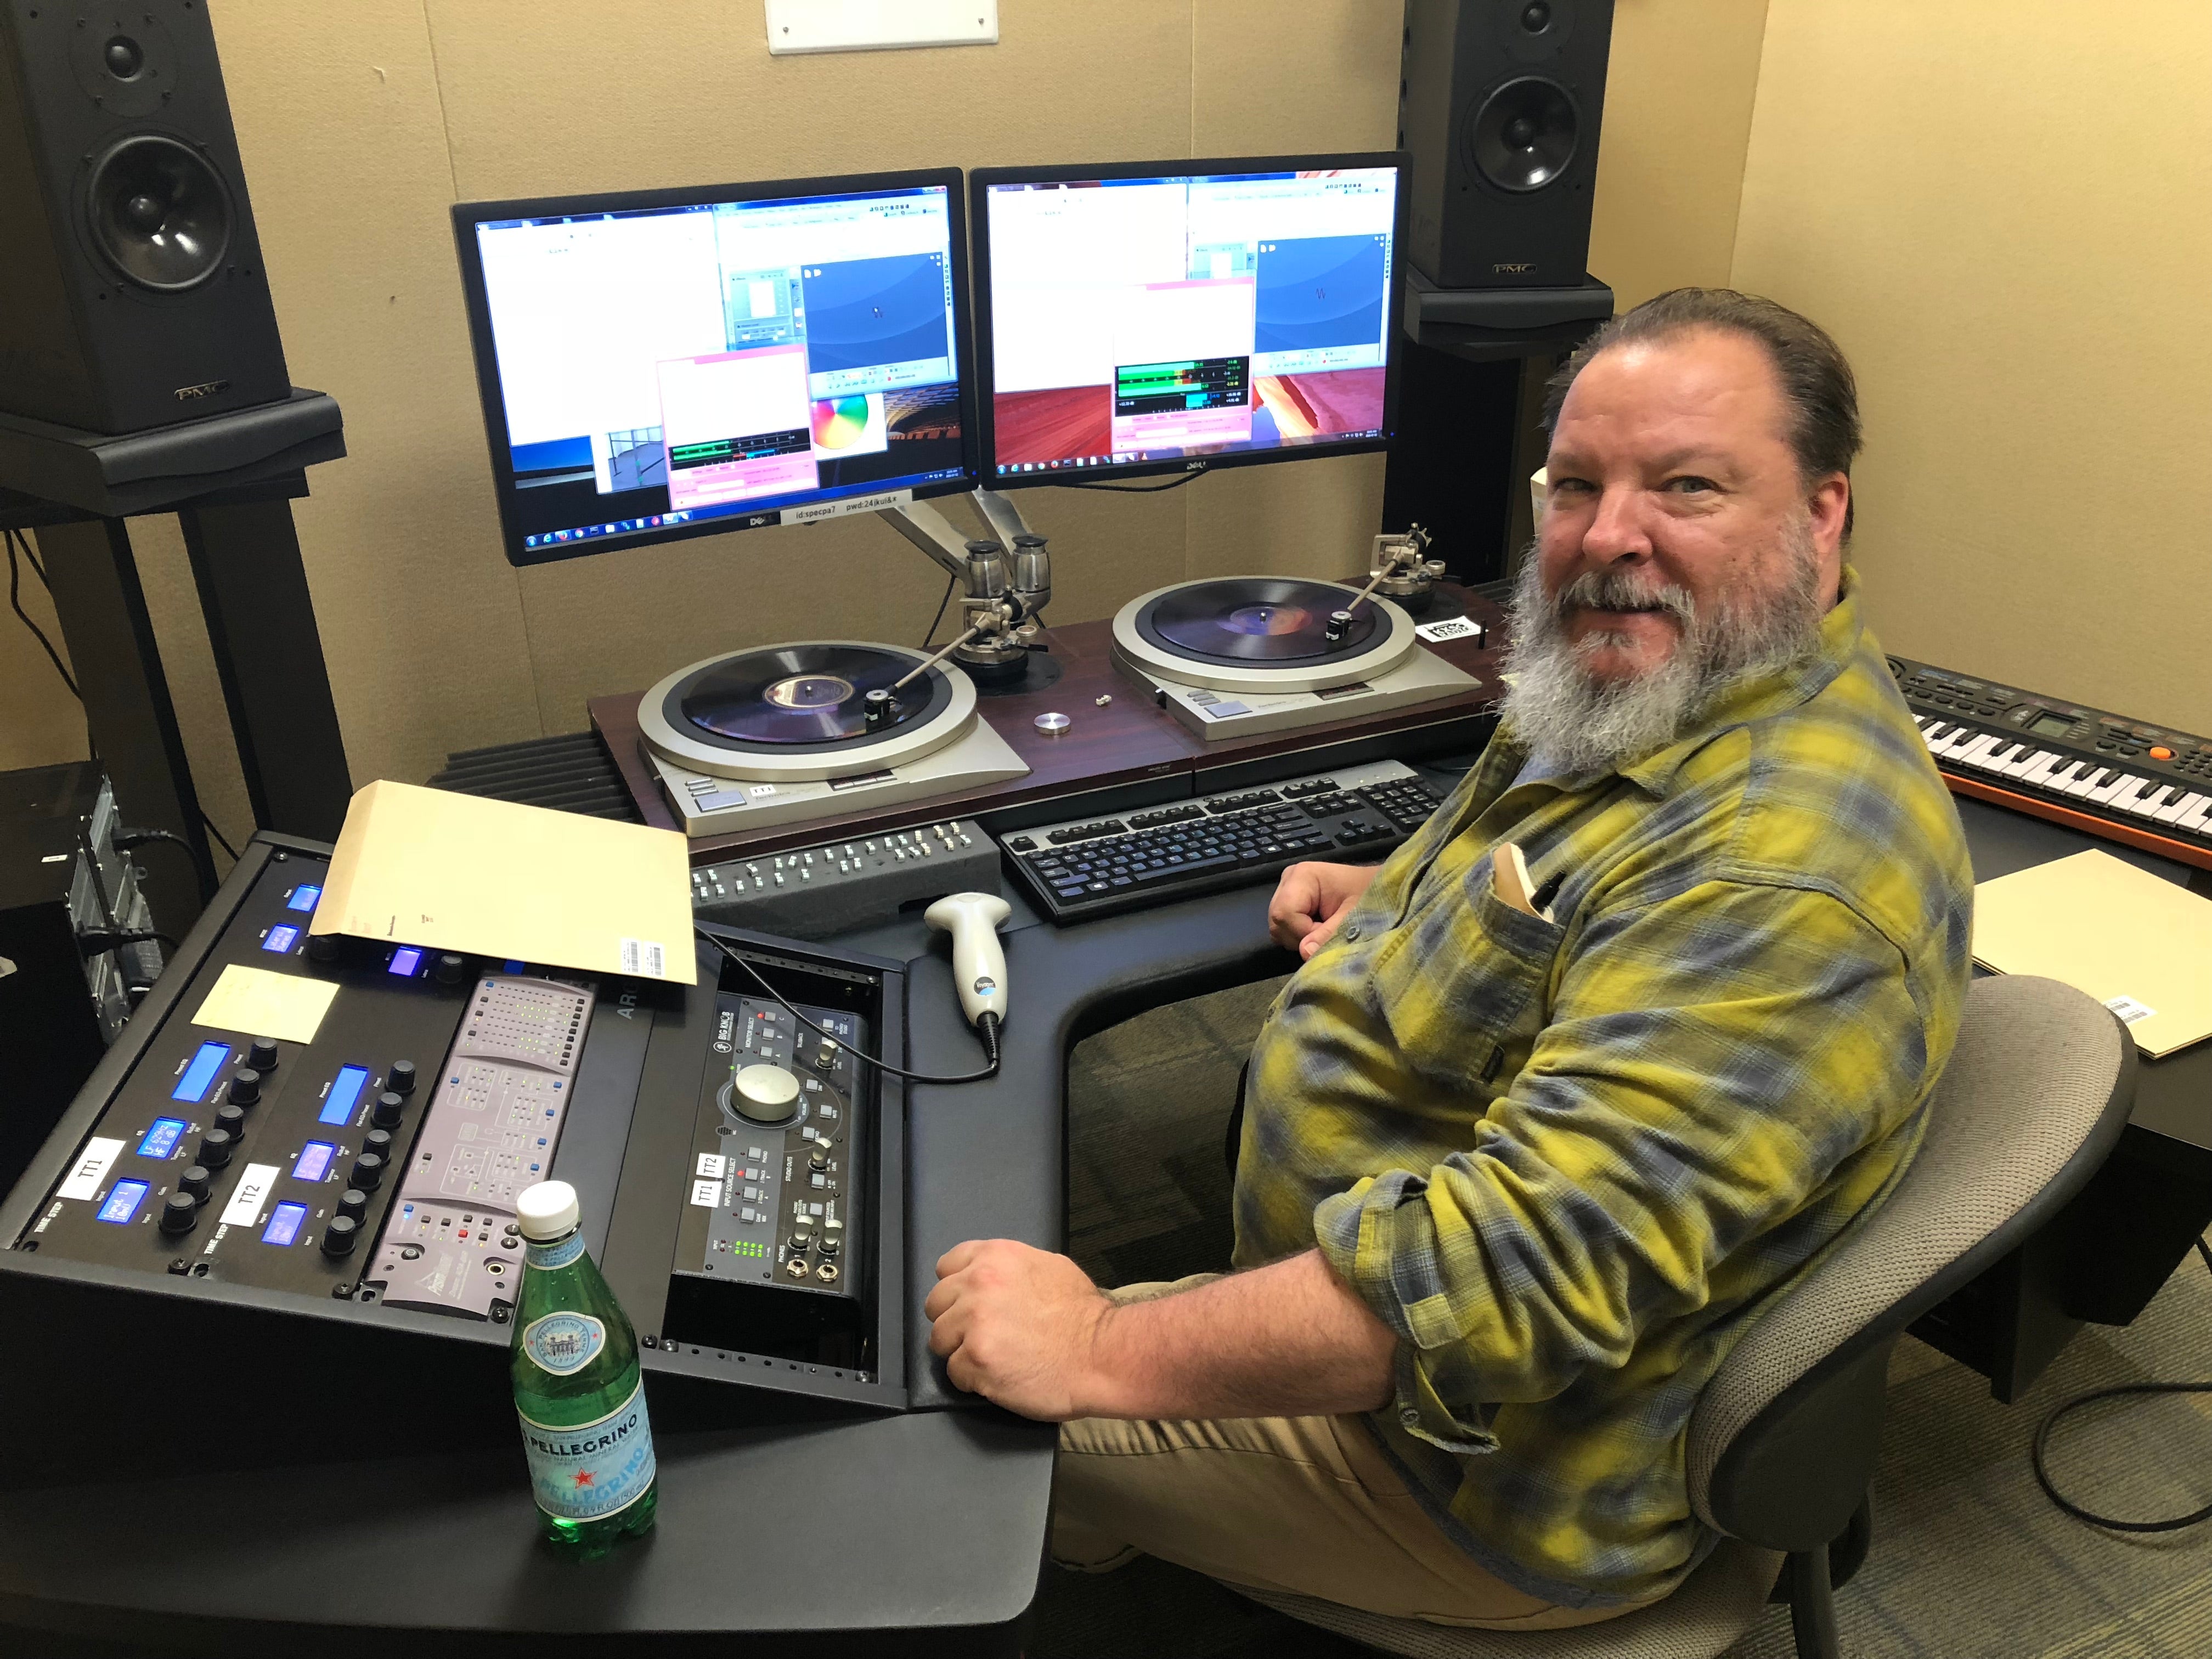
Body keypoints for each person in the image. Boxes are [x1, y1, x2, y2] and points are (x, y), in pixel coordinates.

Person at [923, 289, 1973, 1628]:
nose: (1609, 538)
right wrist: (1414, 895)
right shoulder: (1684, 676)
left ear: (1822, 514)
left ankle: (1093, 1538)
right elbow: (1585, 881)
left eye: (1690, 487)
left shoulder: (1780, 878)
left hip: (1463, 1466)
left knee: (929, 1418)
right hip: (1404, 1321)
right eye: (1577, 484)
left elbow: (1504, 1282)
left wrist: (1097, 1346)